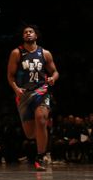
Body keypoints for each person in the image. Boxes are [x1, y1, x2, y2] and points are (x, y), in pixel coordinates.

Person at [7, 25, 59, 172]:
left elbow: (55, 72)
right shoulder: (17, 53)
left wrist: (53, 79)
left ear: (36, 36)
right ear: (23, 36)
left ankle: (40, 157)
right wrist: (16, 89)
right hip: (24, 94)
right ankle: (44, 135)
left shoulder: (45, 53)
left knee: (41, 118)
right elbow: (10, 76)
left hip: (41, 91)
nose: (28, 33)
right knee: (30, 134)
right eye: (25, 32)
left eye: (31, 32)